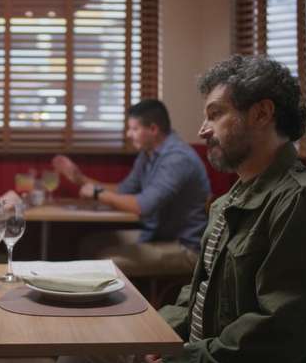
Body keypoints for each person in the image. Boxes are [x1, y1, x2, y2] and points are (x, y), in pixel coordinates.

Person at [145, 55, 306, 363]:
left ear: (262, 114)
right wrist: (156, 335)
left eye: (215, 114)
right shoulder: (226, 202)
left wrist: (184, 360)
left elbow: (283, 332)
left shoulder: (304, 202)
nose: (203, 130)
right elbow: (200, 292)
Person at [52, 99, 210, 277]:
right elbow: (123, 190)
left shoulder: (177, 159)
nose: (128, 134)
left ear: (153, 129)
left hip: (184, 247)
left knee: (105, 260)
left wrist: (97, 193)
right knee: (90, 244)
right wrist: (80, 179)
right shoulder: (148, 153)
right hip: (156, 235)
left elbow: (142, 206)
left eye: (134, 129)